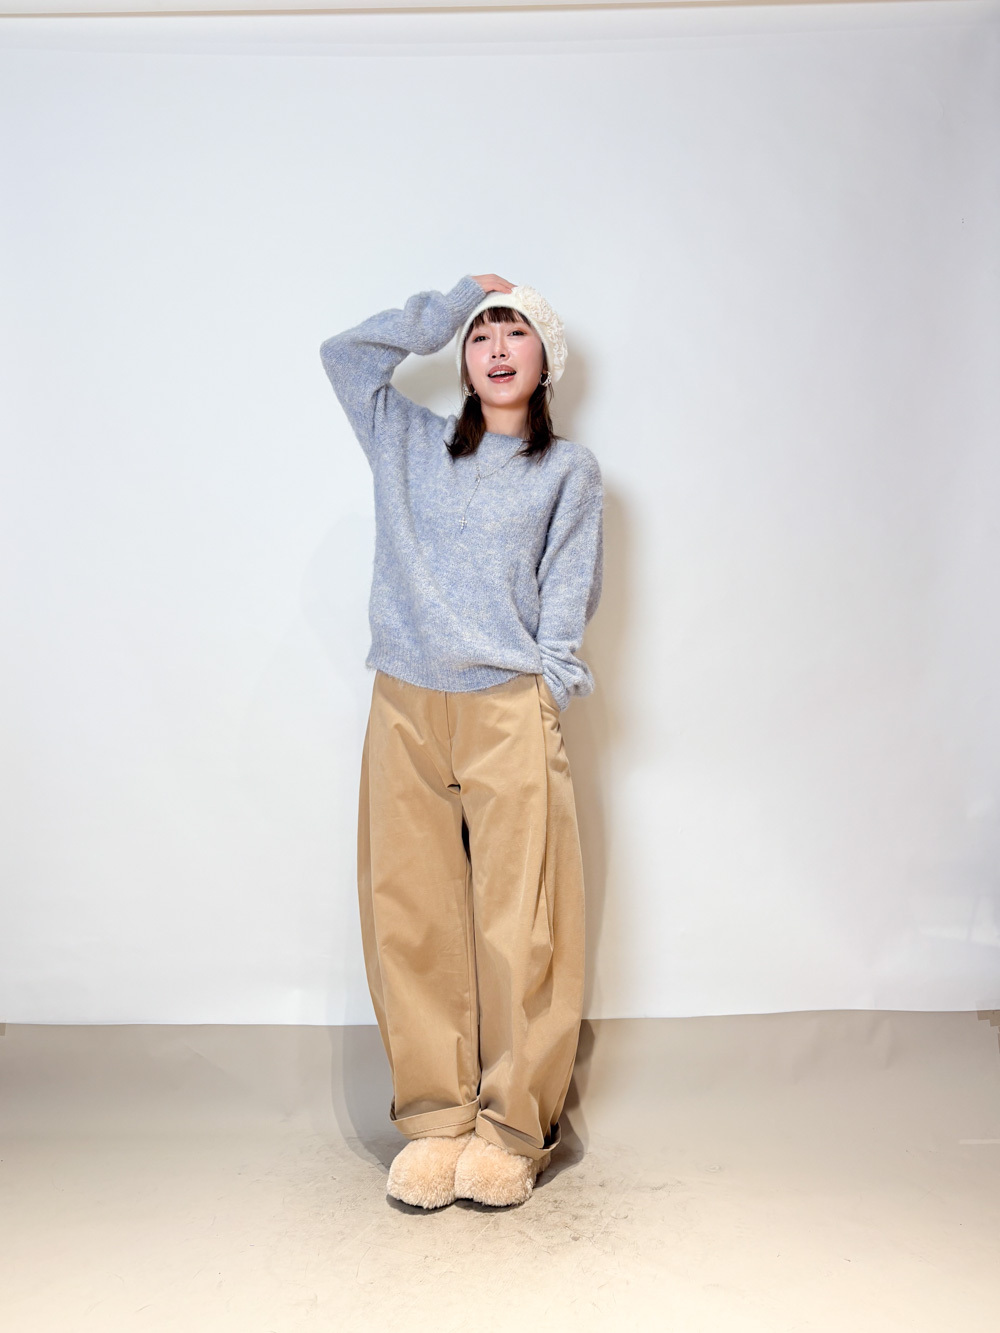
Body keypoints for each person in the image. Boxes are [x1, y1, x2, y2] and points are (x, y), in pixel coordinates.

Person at [319, 273, 603, 1208]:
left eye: (515, 332)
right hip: (405, 700)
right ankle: (437, 1119)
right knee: (412, 913)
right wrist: (445, 307)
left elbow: (569, 589)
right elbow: (344, 357)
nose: (495, 348)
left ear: (545, 357)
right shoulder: (406, 440)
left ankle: (514, 1129)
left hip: (507, 706)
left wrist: (546, 682)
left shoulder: (568, 471)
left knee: (523, 923)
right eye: (481, 335)